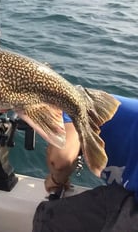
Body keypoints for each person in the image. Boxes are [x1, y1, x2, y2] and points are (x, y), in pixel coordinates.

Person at [33, 94, 138, 232]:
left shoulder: (69, 105)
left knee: (47, 219)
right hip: (129, 193)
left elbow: (61, 160)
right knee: (51, 217)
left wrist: (56, 180)